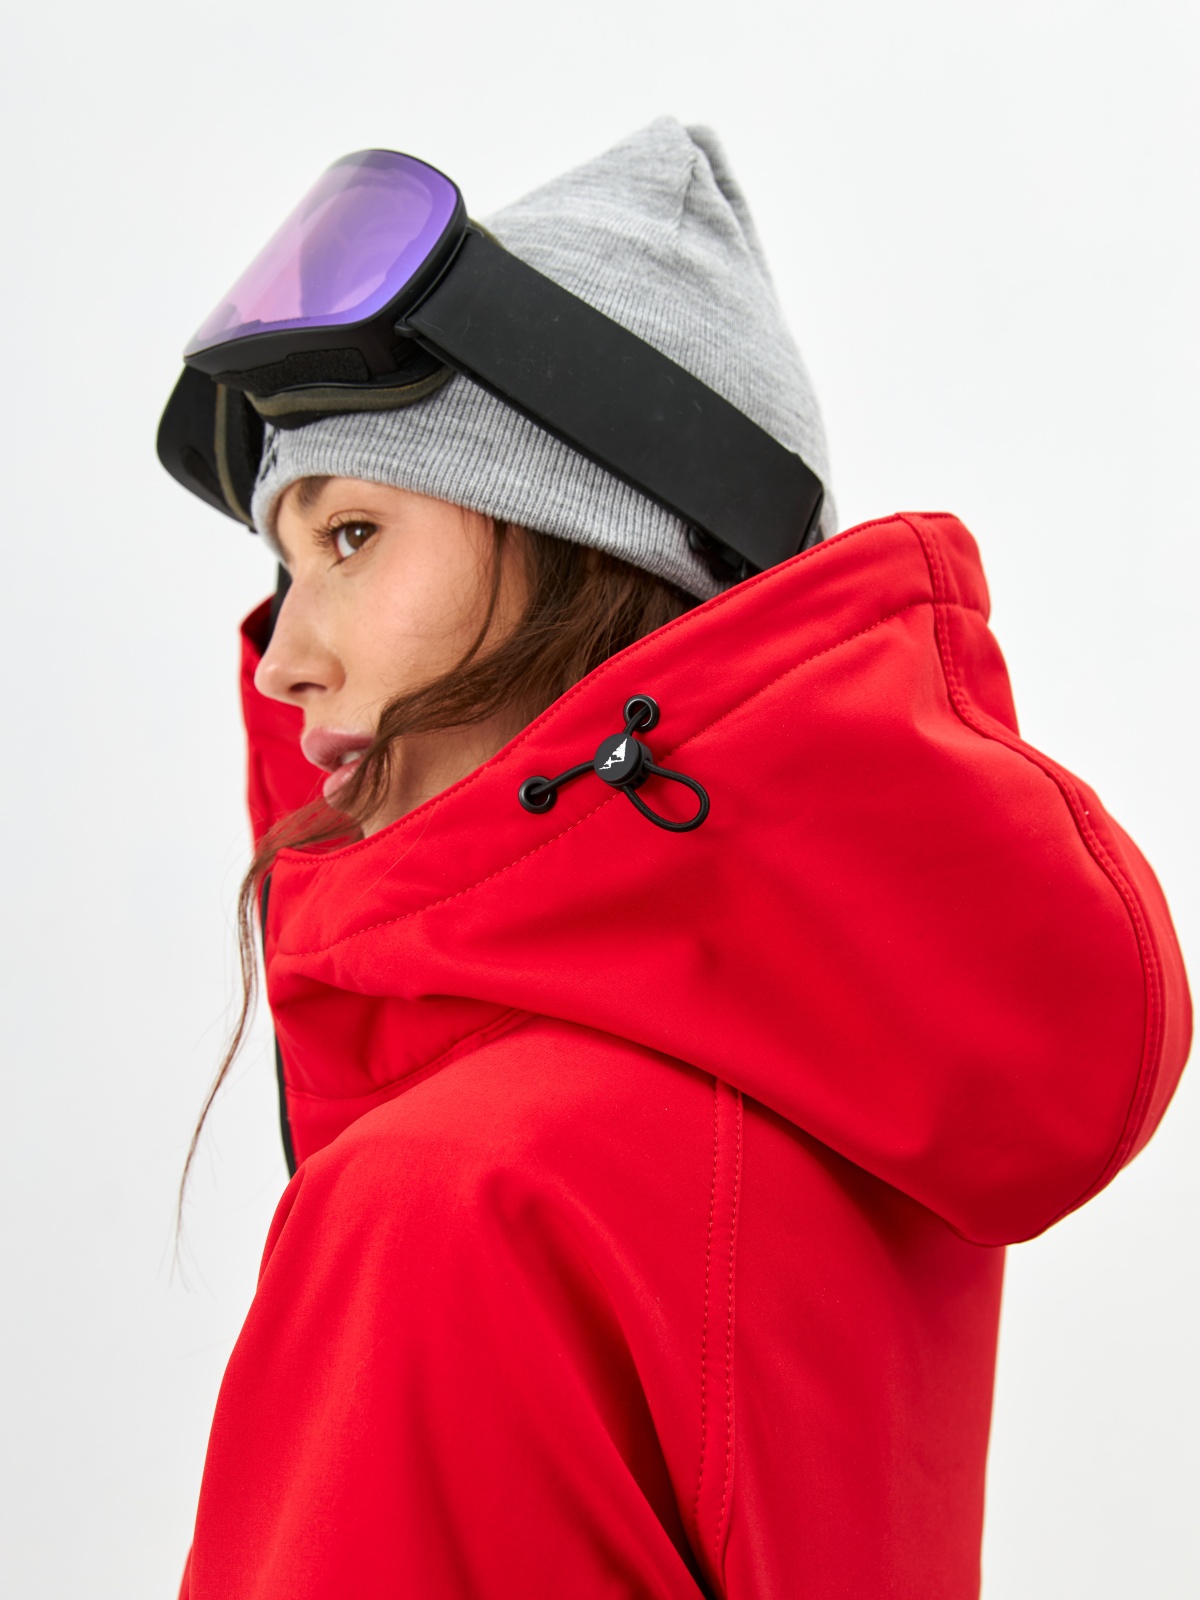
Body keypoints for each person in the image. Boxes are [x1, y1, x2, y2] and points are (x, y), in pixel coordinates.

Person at [161, 119, 1191, 1599]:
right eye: (286, 560)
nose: (284, 661)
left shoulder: (450, 1197)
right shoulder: (849, 1112)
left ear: (591, 542)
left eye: (354, 536)